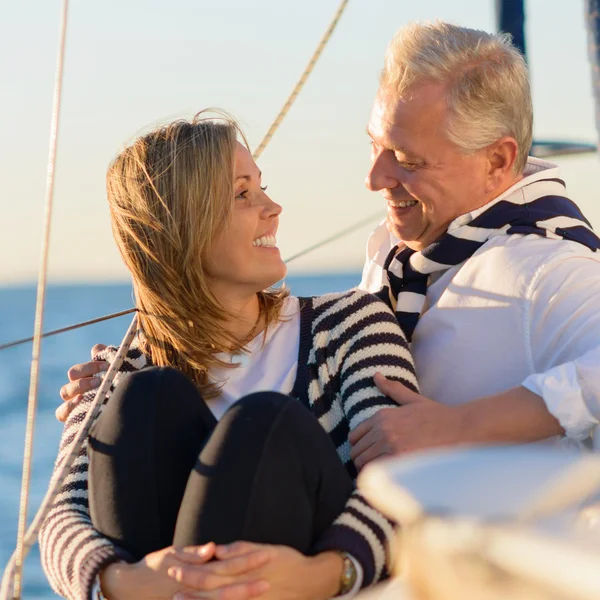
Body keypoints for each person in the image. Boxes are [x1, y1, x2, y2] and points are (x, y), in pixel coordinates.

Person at [40, 112, 419, 600]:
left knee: (261, 424)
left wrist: (325, 573)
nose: (273, 207)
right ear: (180, 225)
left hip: (311, 587)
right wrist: (128, 581)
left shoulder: (349, 325)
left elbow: (399, 481)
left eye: (262, 187)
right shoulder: (121, 371)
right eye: (243, 194)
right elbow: (58, 517)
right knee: (146, 400)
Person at [349, 20, 600, 467]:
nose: (375, 179)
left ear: (497, 160)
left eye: (407, 160)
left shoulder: (549, 267)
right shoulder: (406, 249)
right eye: (375, 147)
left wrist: (459, 426)